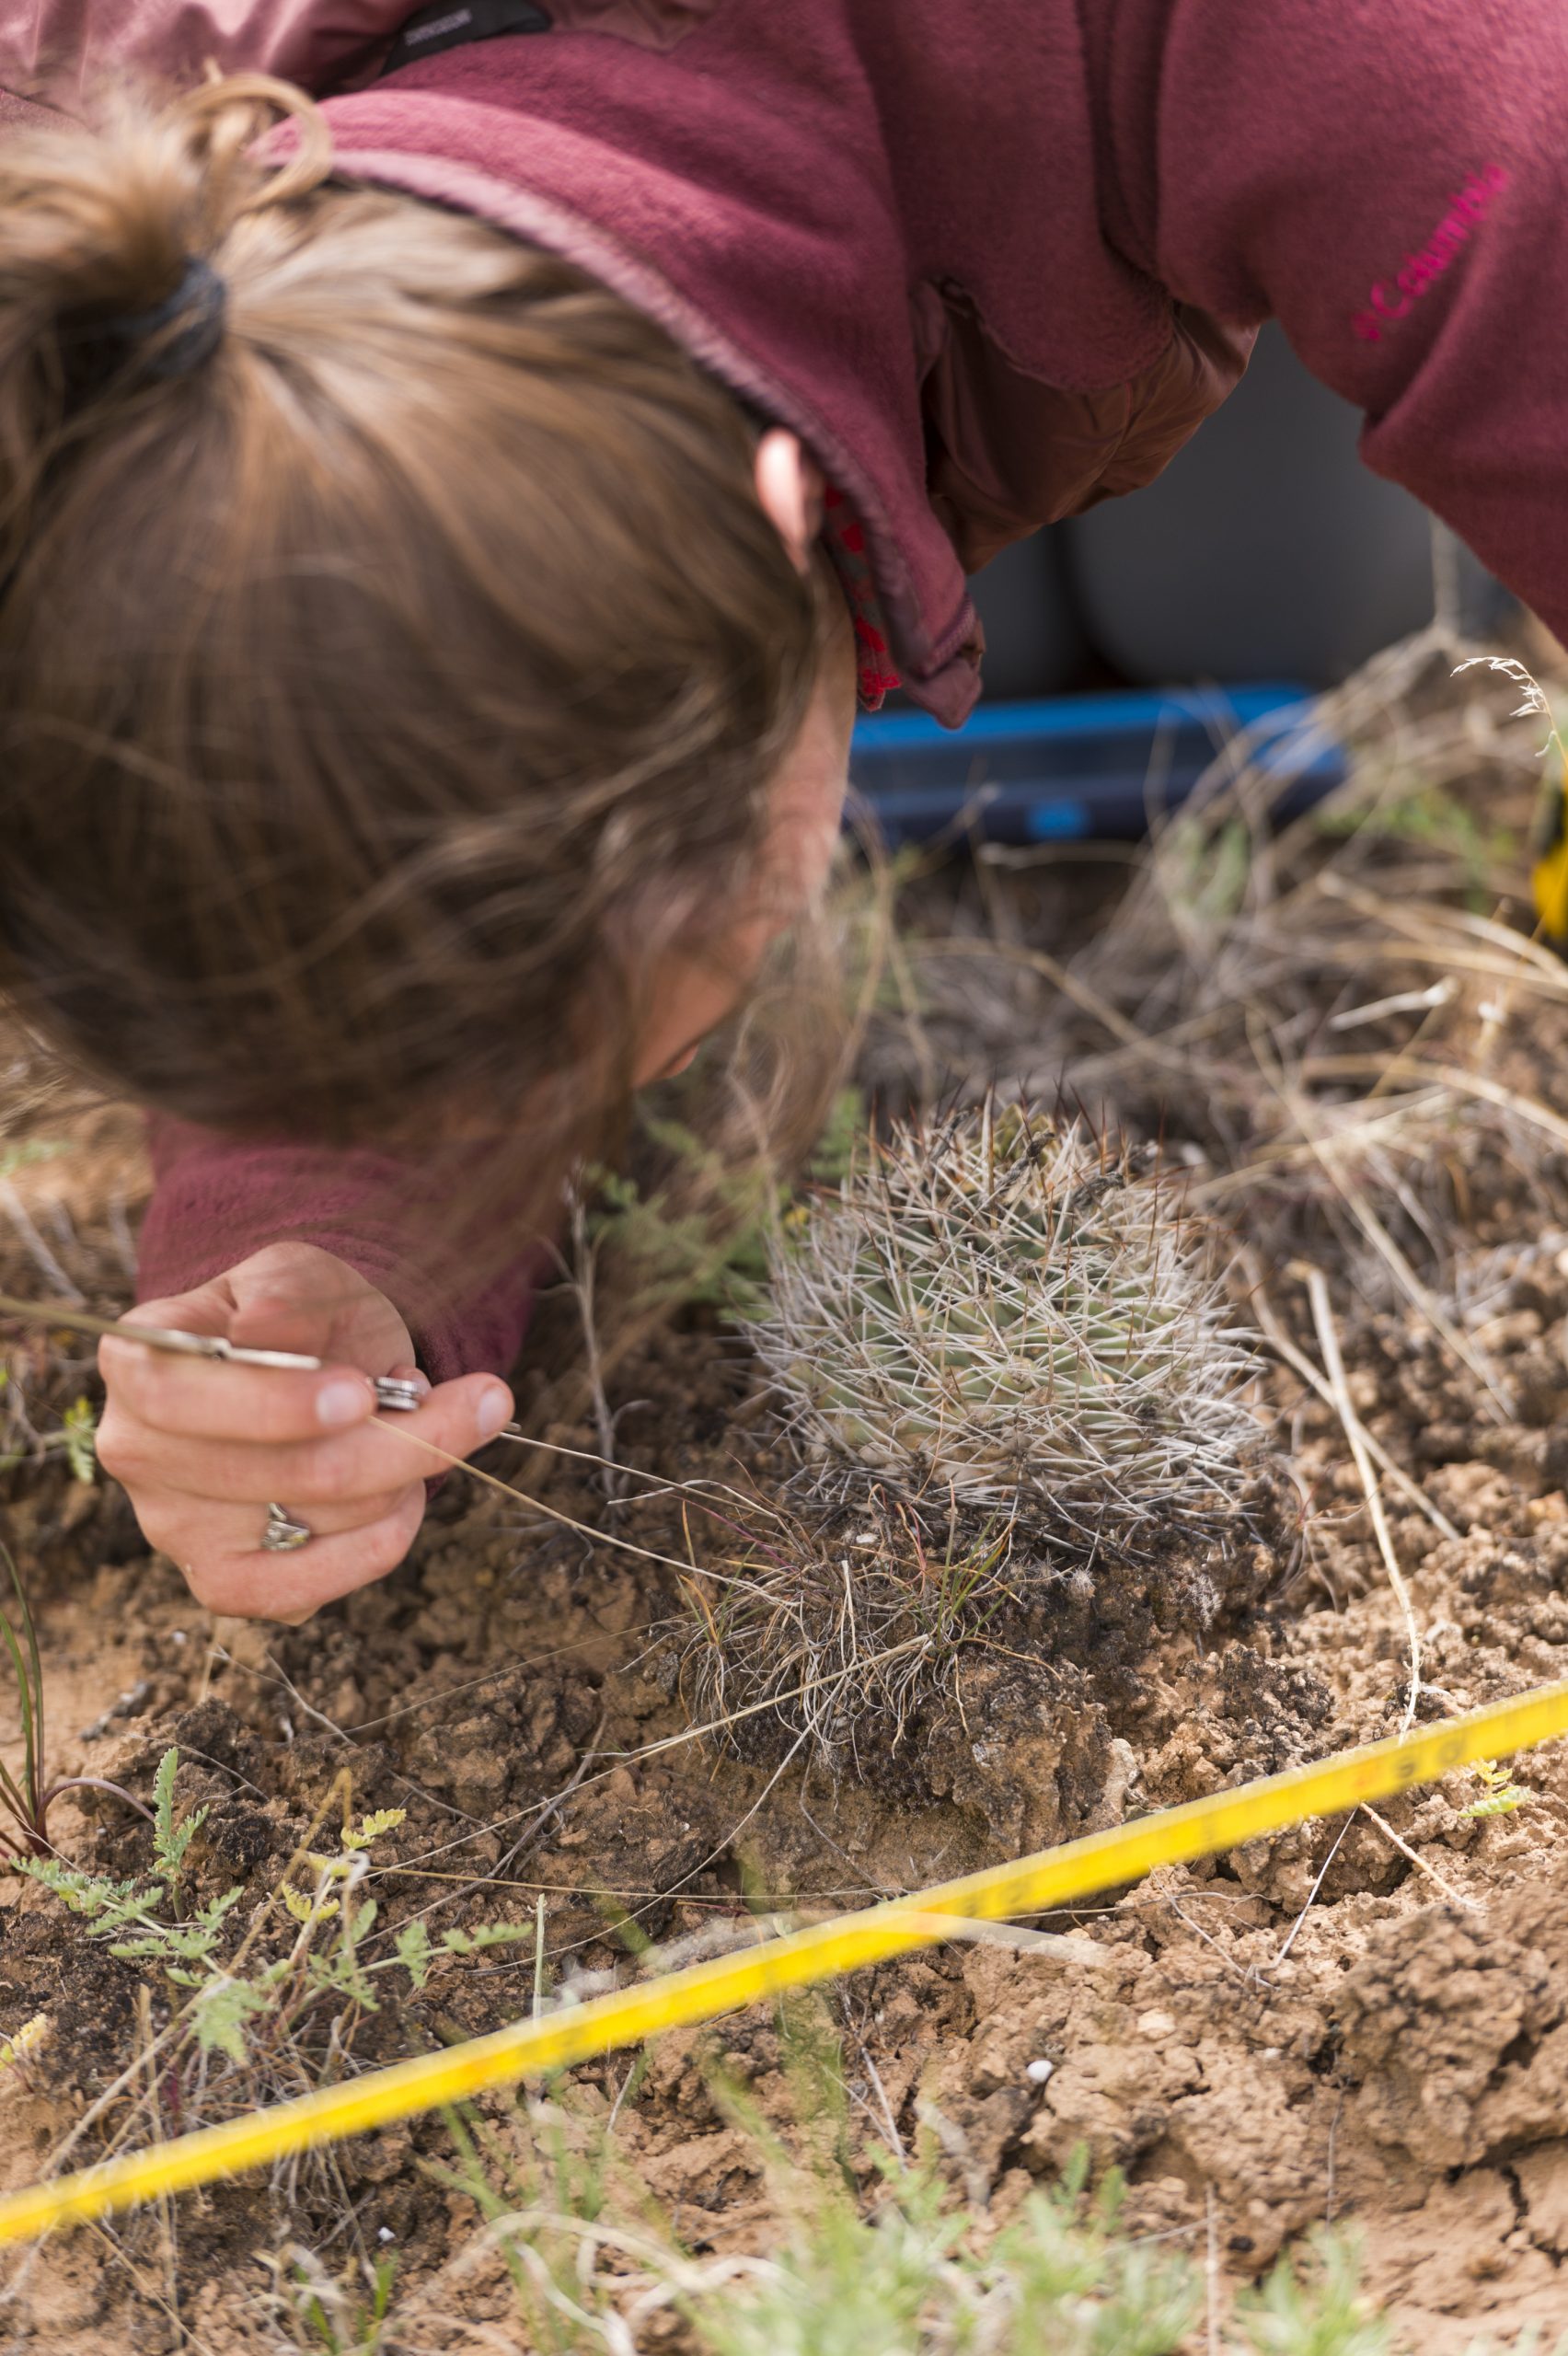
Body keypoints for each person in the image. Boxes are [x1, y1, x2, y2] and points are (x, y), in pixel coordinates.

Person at [0, 0, 1562, 1622]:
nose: (512, 1121)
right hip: (876, 211)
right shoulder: (73, 323)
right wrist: (312, 1236)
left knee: (1241, 606)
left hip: (1114, 92)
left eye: (586, 1043)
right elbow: (305, 766)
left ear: (782, 516)